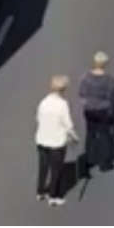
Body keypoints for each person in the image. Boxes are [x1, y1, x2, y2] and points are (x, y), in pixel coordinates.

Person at [35, 75, 78, 206]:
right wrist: (74, 137)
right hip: (56, 143)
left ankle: (40, 192)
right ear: (64, 89)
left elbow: (38, 118)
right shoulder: (62, 104)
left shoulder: (43, 102)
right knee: (56, 170)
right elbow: (68, 125)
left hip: (42, 140)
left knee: (43, 168)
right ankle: (53, 196)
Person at [76, 52, 114, 178]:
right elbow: (112, 97)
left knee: (90, 134)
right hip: (103, 111)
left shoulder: (85, 78)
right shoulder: (109, 79)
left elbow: (81, 94)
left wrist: (87, 104)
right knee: (105, 136)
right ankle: (105, 163)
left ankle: (90, 158)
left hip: (89, 111)